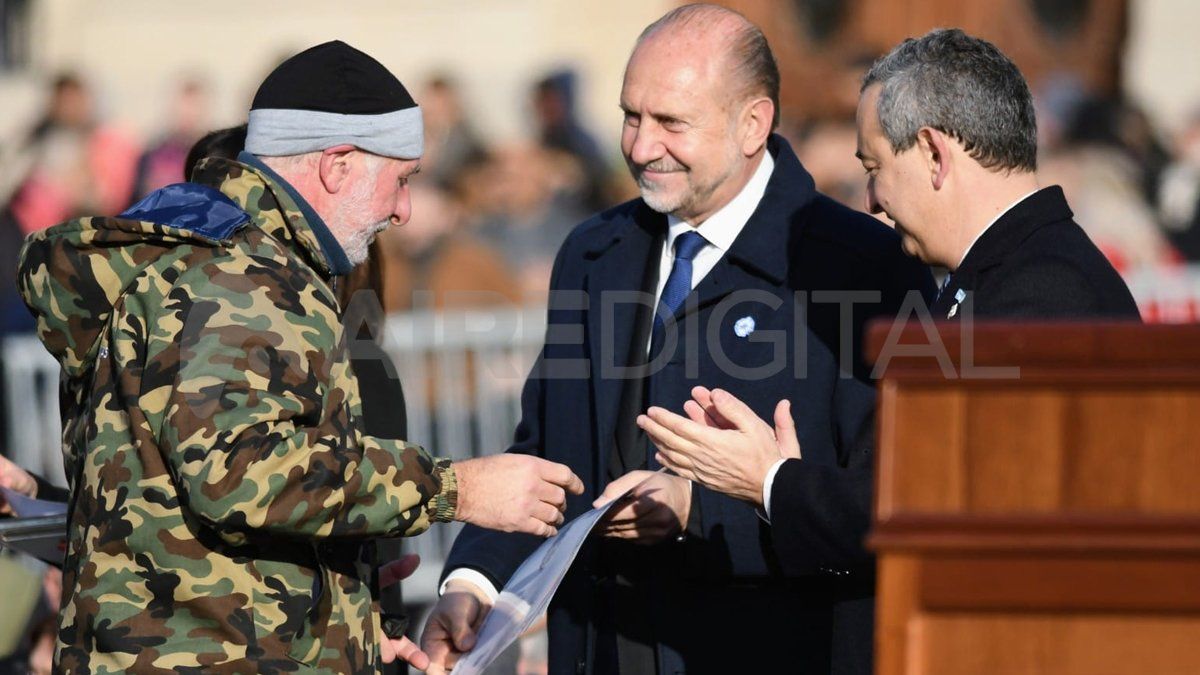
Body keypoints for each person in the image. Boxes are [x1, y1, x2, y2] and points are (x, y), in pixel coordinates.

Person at [16, 41, 583, 674]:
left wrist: (349, 620)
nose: (404, 209)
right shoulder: (243, 276)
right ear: (338, 165)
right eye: (400, 179)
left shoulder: (222, 260)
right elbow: (238, 472)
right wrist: (457, 488)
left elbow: (178, 500)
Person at [422, 5, 932, 674]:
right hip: (601, 647)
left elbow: (884, 504)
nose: (638, 146)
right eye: (631, 116)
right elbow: (548, 450)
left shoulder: (861, 266)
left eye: (670, 123)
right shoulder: (593, 253)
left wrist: (701, 510)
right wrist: (472, 585)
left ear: (754, 123)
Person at [642, 27, 1142, 673]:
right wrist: (793, 477)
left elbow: (942, 510)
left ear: (933, 153)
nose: (872, 201)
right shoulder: (1003, 277)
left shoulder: (1042, 290)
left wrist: (770, 480)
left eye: (875, 167)